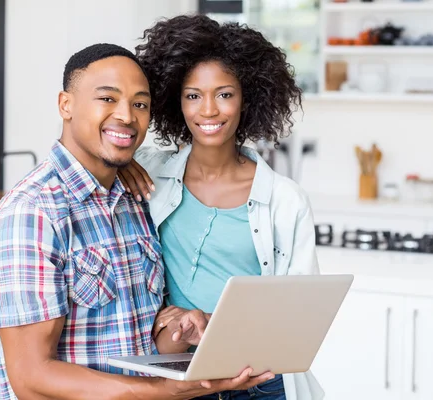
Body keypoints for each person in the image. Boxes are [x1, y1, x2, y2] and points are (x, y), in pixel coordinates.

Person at [0, 43, 274, 400]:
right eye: (107, 99)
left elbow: (133, 332)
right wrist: (162, 391)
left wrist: (178, 325)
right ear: (65, 105)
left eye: (140, 104)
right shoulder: (33, 213)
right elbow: (31, 378)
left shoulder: (134, 199)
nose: (127, 116)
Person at [118, 15, 324, 400]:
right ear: (175, 101)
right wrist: (122, 161)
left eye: (224, 94)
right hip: (177, 377)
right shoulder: (149, 172)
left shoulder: (284, 199)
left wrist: (214, 326)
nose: (208, 110)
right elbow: (89, 156)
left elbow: (301, 318)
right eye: (193, 95)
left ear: (247, 98)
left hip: (257, 380)